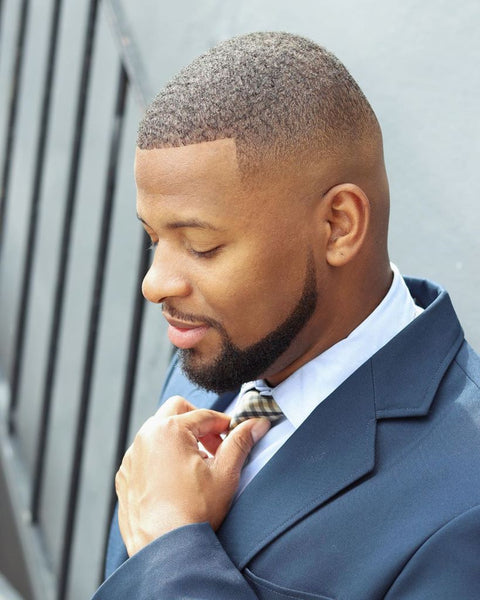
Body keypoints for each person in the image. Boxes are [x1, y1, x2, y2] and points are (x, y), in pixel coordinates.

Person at [92, 32, 480, 599]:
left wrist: (170, 550)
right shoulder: (212, 358)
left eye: (201, 246)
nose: (155, 283)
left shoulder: (465, 502)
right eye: (154, 239)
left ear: (338, 226)